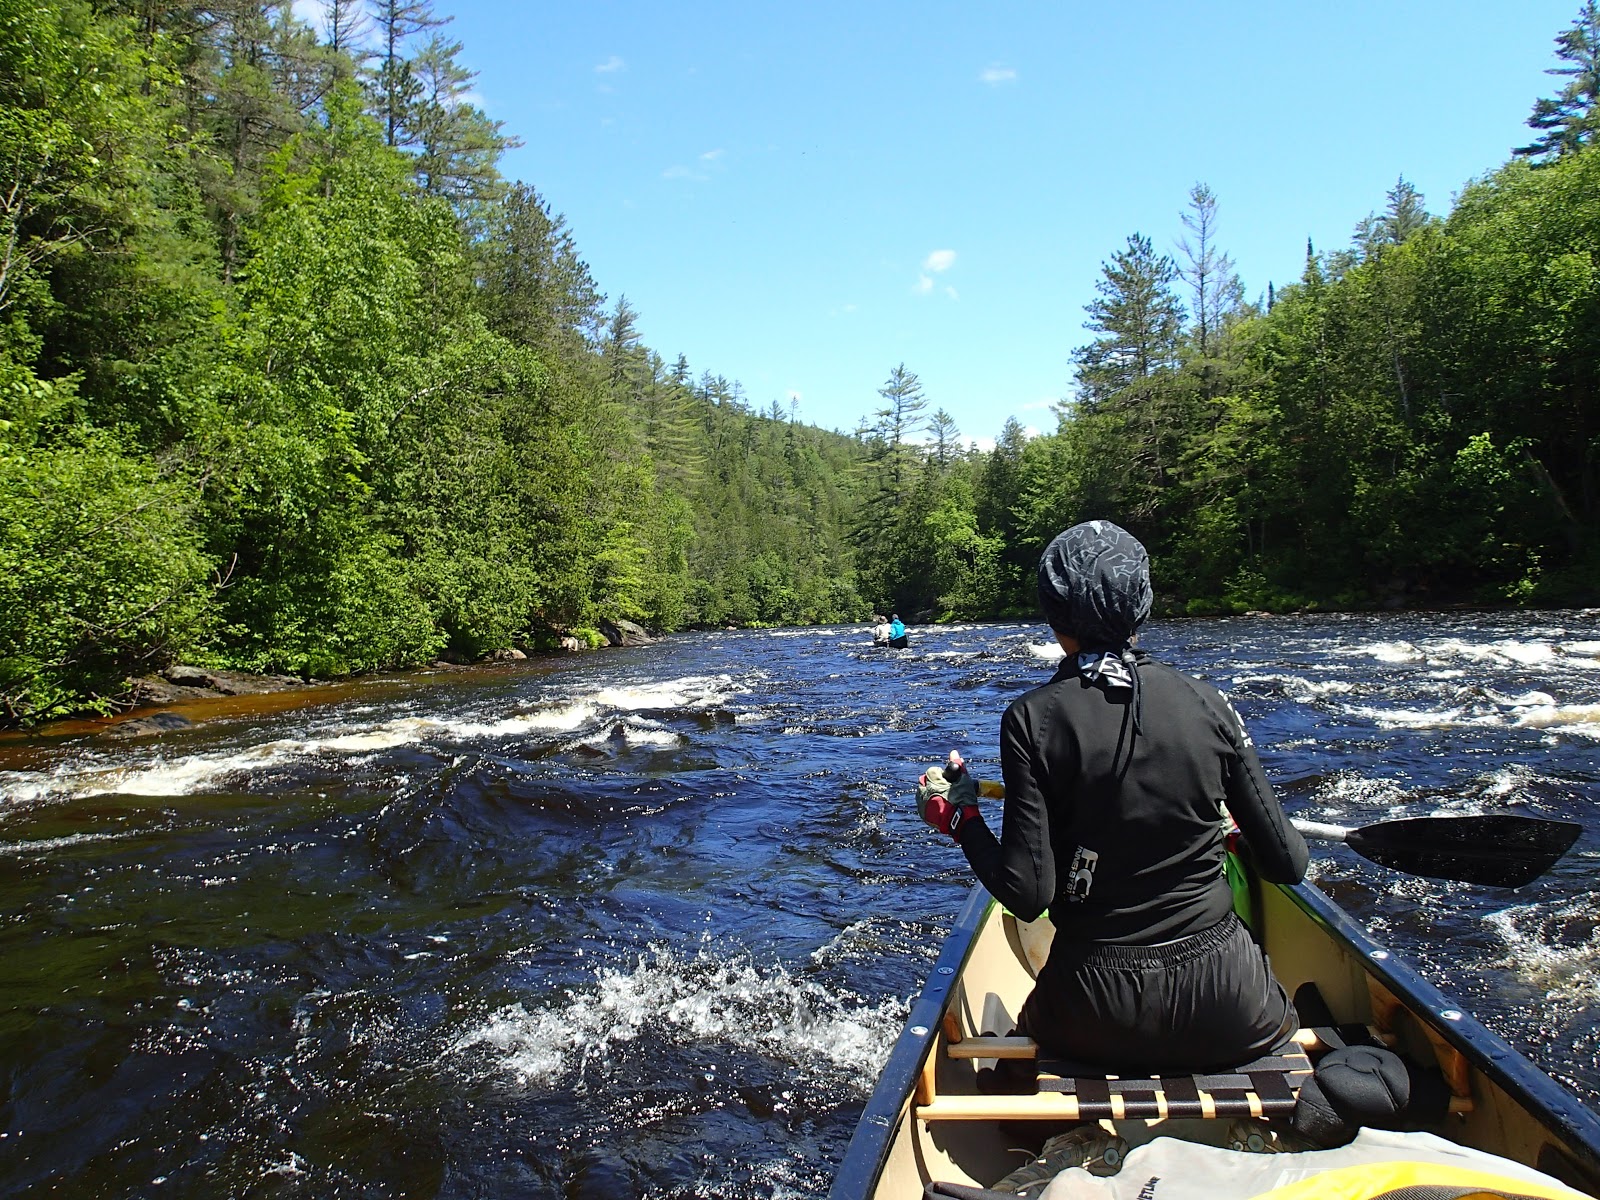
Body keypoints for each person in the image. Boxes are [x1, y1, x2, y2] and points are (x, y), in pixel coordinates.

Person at [915, 519, 1308, 1075]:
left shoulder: (1032, 719)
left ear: (1054, 616)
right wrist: (1232, 830)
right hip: (1230, 1005)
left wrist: (960, 820)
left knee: (1022, 1046)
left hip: (1091, 1015)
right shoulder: (1210, 705)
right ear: (1142, 607)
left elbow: (1027, 895)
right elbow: (1287, 863)